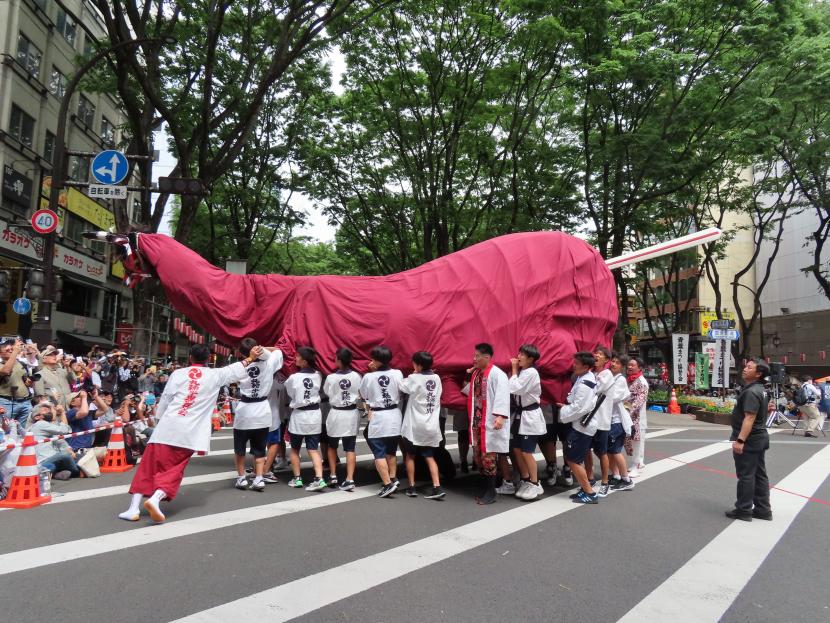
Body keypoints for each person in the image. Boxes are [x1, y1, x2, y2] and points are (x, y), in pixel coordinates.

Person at [118, 343, 263, 523]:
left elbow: (166, 399)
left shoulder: (178, 374)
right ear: (208, 359)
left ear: (190, 358)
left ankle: (133, 509)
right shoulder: (215, 375)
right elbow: (236, 368)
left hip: (167, 427)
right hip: (189, 432)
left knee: (148, 467)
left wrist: (158, 419)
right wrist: (251, 357)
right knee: (174, 469)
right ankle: (155, 499)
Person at [232, 338, 284, 492]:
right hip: (262, 410)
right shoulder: (269, 364)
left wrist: (250, 354)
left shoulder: (239, 367)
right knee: (260, 447)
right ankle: (259, 478)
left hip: (244, 411)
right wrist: (261, 347)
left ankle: (241, 478)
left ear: (242, 353)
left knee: (239, 447)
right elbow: (278, 351)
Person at [463, 343, 510, 505]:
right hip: (477, 422)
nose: (474, 359)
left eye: (477, 356)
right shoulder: (476, 373)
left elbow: (503, 396)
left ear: (487, 357)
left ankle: (491, 490)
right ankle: (484, 486)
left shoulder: (498, 374)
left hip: (489, 422)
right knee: (478, 456)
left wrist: (500, 416)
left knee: (488, 456)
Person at [726, 359, 773, 521]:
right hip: (760, 438)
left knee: (746, 475)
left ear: (758, 374)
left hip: (750, 440)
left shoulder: (752, 392)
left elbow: (750, 417)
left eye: (749, 367)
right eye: (746, 366)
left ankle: (744, 509)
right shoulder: (761, 389)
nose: (745, 369)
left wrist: (740, 441)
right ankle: (763, 509)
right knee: (759, 475)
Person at [399, 351, 446, 499]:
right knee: (429, 456)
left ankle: (412, 487)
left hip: (414, 425)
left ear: (418, 365)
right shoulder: (437, 378)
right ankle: (437, 487)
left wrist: (413, 374)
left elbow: (402, 386)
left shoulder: (414, 378)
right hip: (431, 424)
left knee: (410, 455)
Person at [360, 345, 404, 498]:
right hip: (394, 414)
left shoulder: (368, 376)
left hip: (379, 416)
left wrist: (372, 374)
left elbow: (364, 394)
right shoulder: (397, 373)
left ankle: (387, 484)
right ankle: (393, 477)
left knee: (379, 452)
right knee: (391, 450)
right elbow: (402, 390)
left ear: (376, 361)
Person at [558, 352, 599, 504]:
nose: (573, 365)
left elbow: (579, 408)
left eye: (576, 363)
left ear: (586, 366)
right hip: (582, 425)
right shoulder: (584, 378)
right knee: (575, 458)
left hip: (582, 427)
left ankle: (590, 493)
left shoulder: (585, 383)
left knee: (573, 460)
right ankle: (585, 489)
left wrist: (563, 411)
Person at [283, 346, 327, 492]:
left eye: (297, 356)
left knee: (295, 448)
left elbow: (291, 393)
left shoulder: (293, 378)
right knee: (313, 449)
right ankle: (319, 478)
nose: (295, 358)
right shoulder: (318, 375)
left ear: (304, 361)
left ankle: (297, 478)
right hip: (314, 414)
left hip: (299, 415)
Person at [507, 344, 547, 501]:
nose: (518, 357)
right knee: (517, 449)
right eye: (519, 353)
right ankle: (525, 479)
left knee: (527, 451)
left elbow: (515, 388)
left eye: (522, 355)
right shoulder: (525, 371)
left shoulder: (531, 372)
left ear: (531, 359)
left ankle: (535, 483)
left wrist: (514, 370)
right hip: (519, 416)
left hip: (529, 416)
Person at [322, 348, 361, 491]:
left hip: (336, 413)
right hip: (351, 413)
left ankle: (333, 475)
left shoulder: (331, 377)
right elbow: (360, 391)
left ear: (338, 360)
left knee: (332, 446)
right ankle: (350, 478)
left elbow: (326, 391)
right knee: (350, 448)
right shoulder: (357, 376)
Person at [30, 401, 80, 480]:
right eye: (45, 410)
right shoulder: (41, 424)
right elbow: (64, 430)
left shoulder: (47, 425)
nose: (49, 411)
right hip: (44, 461)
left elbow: (61, 440)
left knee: (70, 456)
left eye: (49, 410)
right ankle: (77, 471)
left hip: (51, 459)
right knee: (65, 455)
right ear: (37, 417)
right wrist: (61, 413)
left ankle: (56, 474)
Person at [606, 354, 635, 492]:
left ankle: (626, 479)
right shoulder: (612, 378)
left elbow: (613, 397)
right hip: (610, 420)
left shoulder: (620, 380)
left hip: (616, 421)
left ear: (622, 366)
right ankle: (616, 476)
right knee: (610, 451)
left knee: (615, 451)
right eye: (613, 361)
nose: (613, 364)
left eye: (617, 363)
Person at [0, 338, 34, 429]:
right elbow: (6, 371)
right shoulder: (1, 364)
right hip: (7, 402)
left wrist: (30, 383)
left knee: (22, 431)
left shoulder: (21, 363)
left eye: (12, 349)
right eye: (7, 350)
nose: (11, 351)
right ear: (0, 353)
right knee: (6, 430)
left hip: (25, 402)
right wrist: (15, 351)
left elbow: (28, 383)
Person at [625, 357, 649, 476]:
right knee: (633, 441)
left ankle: (636, 466)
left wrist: (627, 410)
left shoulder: (641, 382)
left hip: (636, 417)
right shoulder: (629, 380)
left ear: (639, 368)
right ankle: (638, 462)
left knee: (637, 442)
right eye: (629, 365)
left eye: (632, 365)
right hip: (629, 416)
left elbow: (639, 400)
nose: (629, 367)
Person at [34, 345, 74, 409]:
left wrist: (68, 367)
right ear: (44, 359)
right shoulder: (39, 374)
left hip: (69, 406)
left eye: (55, 355)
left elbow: (73, 381)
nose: (54, 356)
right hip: (54, 409)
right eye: (51, 355)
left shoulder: (63, 371)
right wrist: (51, 398)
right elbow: (40, 398)